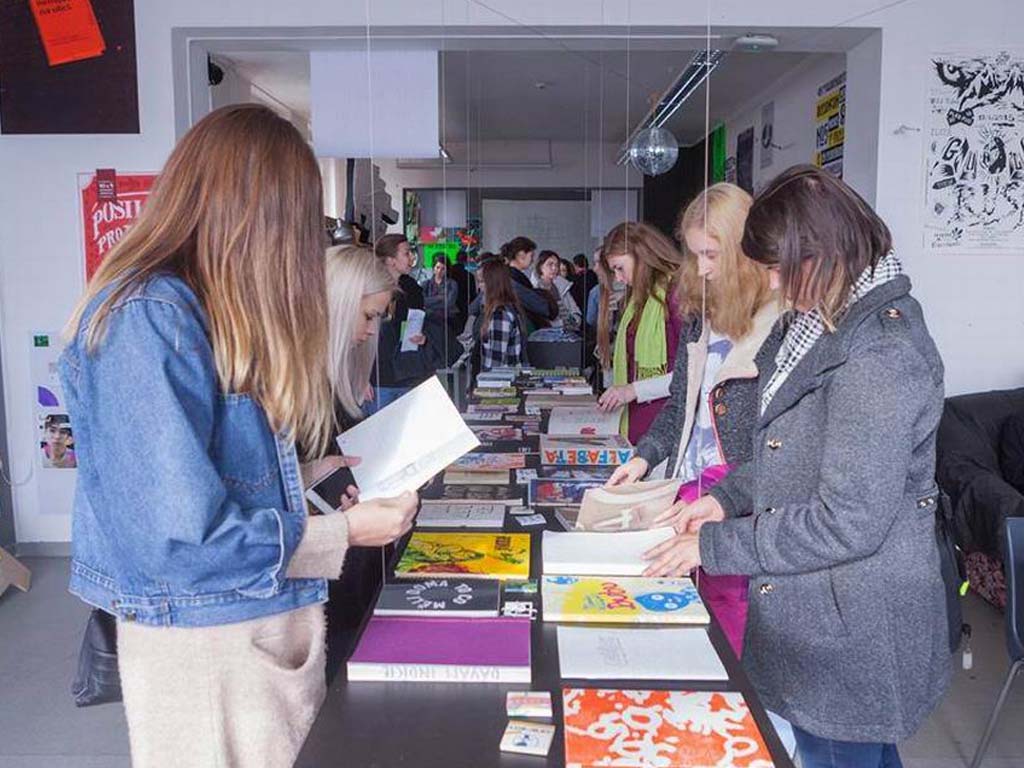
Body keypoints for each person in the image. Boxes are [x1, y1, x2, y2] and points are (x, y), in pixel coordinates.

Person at [58, 104, 418, 768]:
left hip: (248, 632)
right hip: (208, 649)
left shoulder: (203, 312)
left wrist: (302, 476)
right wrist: (345, 532)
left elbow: (204, 477)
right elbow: (181, 541)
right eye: (301, 220)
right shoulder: (151, 319)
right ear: (261, 214)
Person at [643, 165, 952, 767]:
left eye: (780, 267)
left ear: (822, 252)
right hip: (824, 608)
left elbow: (847, 522)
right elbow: (787, 451)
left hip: (850, 621)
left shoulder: (879, 354)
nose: (773, 282)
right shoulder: (824, 321)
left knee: (836, 750)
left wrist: (713, 545)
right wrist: (726, 499)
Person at [606, 183, 779, 657]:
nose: (700, 268)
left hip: (738, 509)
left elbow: (779, 447)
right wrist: (643, 458)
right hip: (689, 497)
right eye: (695, 254)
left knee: (731, 637)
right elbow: (680, 407)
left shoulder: (779, 326)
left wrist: (723, 495)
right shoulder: (701, 319)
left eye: (711, 255)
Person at [596, 222, 686, 445]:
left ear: (641, 255)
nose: (618, 278)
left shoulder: (677, 295)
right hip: (637, 427)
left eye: (619, 268)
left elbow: (691, 372)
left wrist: (632, 390)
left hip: (666, 429)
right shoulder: (638, 300)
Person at [371, 233, 434, 411]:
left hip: (409, 370)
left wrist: (423, 337)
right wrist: (361, 378)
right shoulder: (371, 288)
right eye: (406, 253)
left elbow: (420, 322)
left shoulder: (412, 288)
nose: (411, 258)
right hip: (379, 374)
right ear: (390, 260)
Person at [473, 259, 526, 373]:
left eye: (481, 282)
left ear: (493, 283)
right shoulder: (508, 308)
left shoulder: (500, 315)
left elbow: (495, 363)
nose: (479, 287)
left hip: (500, 380)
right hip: (505, 378)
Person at [501, 236, 558, 331]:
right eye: (531, 256)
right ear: (521, 255)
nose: (532, 260)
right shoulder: (514, 278)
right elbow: (536, 305)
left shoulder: (510, 275)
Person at [534, 249, 582, 331]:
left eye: (556, 265)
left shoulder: (563, 285)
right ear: (540, 266)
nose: (554, 268)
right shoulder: (534, 287)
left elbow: (574, 309)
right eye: (550, 264)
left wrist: (575, 319)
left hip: (569, 331)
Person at [423, 257, 458, 322]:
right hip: (429, 319)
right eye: (437, 267)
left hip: (447, 319)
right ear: (433, 268)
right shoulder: (426, 284)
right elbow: (423, 301)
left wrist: (430, 305)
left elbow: (449, 303)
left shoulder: (452, 284)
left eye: (443, 269)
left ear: (447, 270)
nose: (439, 271)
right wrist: (439, 298)